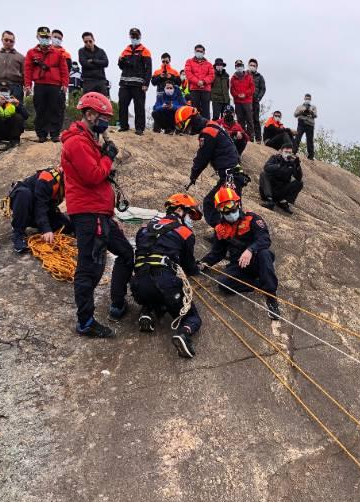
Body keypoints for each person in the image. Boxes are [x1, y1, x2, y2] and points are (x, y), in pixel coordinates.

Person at [60, 92, 134, 338]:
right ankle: (85, 321)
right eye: (102, 117)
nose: (105, 122)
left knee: (125, 252)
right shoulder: (77, 143)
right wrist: (108, 156)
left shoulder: (90, 141)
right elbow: (93, 175)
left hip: (100, 213)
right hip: (88, 214)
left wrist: (103, 153)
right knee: (89, 267)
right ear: (89, 114)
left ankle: (117, 303)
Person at [130, 194, 203, 358]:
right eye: (189, 214)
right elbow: (189, 267)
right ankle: (183, 334)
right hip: (165, 281)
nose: (190, 219)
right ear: (179, 209)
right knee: (192, 316)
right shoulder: (185, 232)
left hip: (139, 284)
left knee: (154, 295)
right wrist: (197, 270)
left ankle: (146, 312)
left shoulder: (144, 229)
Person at [200, 187, 281, 320]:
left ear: (237, 203)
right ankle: (258, 283)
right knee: (223, 283)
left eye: (230, 205)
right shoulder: (220, 229)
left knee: (265, 254)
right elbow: (217, 253)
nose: (229, 211)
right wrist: (203, 263)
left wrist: (250, 250)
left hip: (257, 260)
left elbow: (264, 239)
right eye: (223, 208)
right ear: (219, 211)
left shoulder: (252, 219)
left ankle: (271, 298)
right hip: (238, 264)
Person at [175, 106, 247, 227]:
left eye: (188, 128)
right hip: (232, 174)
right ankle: (224, 235)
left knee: (213, 204)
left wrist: (193, 176)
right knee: (227, 206)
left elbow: (202, 157)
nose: (189, 131)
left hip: (230, 176)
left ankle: (226, 235)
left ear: (191, 121)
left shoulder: (208, 132)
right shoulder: (213, 126)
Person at [8, 165, 72, 253]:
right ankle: (18, 234)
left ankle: (39, 224)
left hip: (44, 207)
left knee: (67, 226)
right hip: (26, 205)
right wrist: (46, 229)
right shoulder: (48, 178)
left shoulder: (72, 182)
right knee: (24, 194)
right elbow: (40, 206)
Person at [24, 26, 69, 143]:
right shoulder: (31, 53)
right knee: (40, 109)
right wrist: (28, 85)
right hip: (39, 84)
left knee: (56, 109)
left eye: (47, 37)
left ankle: (54, 134)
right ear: (37, 37)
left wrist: (65, 84)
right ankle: (41, 134)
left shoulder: (58, 53)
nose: (44, 39)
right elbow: (27, 69)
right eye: (42, 37)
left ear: (50, 37)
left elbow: (64, 69)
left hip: (55, 85)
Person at [117, 27, 152, 135]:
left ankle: (140, 128)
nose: (134, 38)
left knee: (139, 106)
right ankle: (123, 126)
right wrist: (121, 61)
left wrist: (146, 83)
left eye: (136, 36)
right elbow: (121, 66)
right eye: (132, 36)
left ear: (140, 37)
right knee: (122, 104)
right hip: (125, 83)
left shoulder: (145, 51)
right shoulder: (125, 50)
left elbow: (148, 69)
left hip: (138, 84)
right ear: (130, 36)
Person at [259, 142, 303, 214]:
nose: (287, 154)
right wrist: (279, 165)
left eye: (289, 152)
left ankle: (283, 202)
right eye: (286, 152)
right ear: (281, 151)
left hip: (280, 192)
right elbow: (266, 168)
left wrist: (298, 166)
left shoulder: (292, 163)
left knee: (299, 183)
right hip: (269, 190)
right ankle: (269, 201)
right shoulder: (274, 158)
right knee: (263, 174)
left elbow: (298, 178)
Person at [0, 31, 24, 102]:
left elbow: (24, 73)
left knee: (17, 109)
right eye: (6, 40)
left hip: (16, 87)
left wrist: (26, 87)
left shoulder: (21, 57)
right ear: (2, 40)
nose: (8, 42)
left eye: (11, 41)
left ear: (14, 42)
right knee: (0, 110)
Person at [184, 44, 214, 119]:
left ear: (204, 52)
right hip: (194, 89)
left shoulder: (209, 64)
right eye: (197, 51)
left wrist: (203, 82)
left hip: (206, 90)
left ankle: (206, 128)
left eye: (201, 51)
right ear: (194, 51)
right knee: (194, 109)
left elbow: (211, 76)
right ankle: (195, 128)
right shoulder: (189, 62)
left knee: (206, 110)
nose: (199, 52)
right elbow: (188, 73)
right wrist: (197, 82)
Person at [230, 60, 255, 141]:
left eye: (240, 65)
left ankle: (251, 138)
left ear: (243, 66)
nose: (239, 67)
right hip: (238, 102)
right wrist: (237, 95)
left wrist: (245, 94)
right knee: (240, 120)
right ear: (235, 67)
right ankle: (243, 137)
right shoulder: (233, 78)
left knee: (249, 120)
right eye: (237, 66)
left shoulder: (249, 76)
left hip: (247, 101)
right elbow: (232, 90)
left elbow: (252, 88)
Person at [78, 32, 110, 96]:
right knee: (88, 103)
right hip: (88, 82)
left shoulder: (101, 51)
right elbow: (84, 64)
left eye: (90, 41)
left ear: (93, 40)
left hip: (101, 81)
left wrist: (93, 61)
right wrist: (99, 65)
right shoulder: (81, 51)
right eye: (86, 42)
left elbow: (106, 63)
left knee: (102, 103)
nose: (88, 43)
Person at [51, 30, 73, 118]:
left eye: (59, 38)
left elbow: (67, 71)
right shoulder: (44, 51)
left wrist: (64, 84)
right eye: (55, 37)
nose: (57, 39)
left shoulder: (66, 55)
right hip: (45, 84)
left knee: (59, 108)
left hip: (59, 85)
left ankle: (57, 130)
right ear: (51, 37)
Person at [293, 93, 317, 160]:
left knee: (310, 140)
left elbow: (315, 115)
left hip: (310, 124)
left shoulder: (313, 107)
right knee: (297, 137)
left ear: (311, 99)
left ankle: (311, 156)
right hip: (301, 123)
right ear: (304, 98)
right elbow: (295, 115)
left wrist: (311, 112)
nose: (307, 100)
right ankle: (293, 152)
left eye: (309, 99)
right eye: (306, 98)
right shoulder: (300, 106)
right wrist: (301, 111)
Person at [248, 58, 265, 143]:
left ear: (256, 67)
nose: (252, 67)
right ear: (248, 65)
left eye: (254, 66)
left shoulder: (260, 76)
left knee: (256, 119)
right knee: (247, 119)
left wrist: (259, 97)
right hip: (246, 100)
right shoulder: (245, 74)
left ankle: (258, 139)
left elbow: (263, 89)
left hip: (255, 100)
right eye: (251, 65)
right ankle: (248, 137)